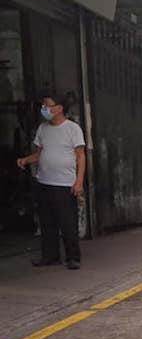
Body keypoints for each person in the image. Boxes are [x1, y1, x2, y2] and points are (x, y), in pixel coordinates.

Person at [17, 94, 86, 270]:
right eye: (43, 106)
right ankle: (50, 256)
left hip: (64, 184)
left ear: (59, 108)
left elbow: (81, 156)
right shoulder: (43, 128)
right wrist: (25, 160)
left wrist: (79, 181)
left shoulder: (73, 129)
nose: (44, 109)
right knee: (47, 223)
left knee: (67, 223)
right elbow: (39, 154)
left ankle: (73, 257)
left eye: (47, 106)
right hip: (44, 182)